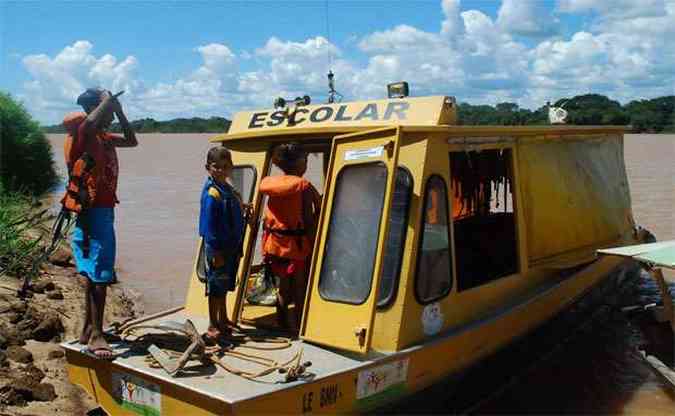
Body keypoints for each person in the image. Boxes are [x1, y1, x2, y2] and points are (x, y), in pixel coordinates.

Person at [63, 88, 138, 359]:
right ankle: (97, 335)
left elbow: (132, 141)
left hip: (100, 210)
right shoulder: (85, 133)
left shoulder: (104, 137)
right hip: (96, 211)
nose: (109, 117)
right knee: (101, 273)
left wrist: (118, 110)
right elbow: (91, 122)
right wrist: (107, 101)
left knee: (94, 271)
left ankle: (87, 329)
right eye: (106, 111)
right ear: (96, 109)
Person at [260, 143, 321, 332]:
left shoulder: (275, 186)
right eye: (305, 160)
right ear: (298, 163)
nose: (307, 165)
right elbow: (309, 219)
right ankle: (300, 324)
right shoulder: (304, 187)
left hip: (275, 246)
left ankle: (281, 320)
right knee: (300, 287)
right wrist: (314, 244)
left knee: (283, 287)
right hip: (295, 247)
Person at [199, 146, 245, 342]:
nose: (220, 170)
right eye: (216, 167)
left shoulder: (228, 190)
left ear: (231, 168)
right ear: (208, 167)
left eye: (225, 167)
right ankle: (213, 323)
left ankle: (224, 318)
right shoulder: (212, 193)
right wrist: (215, 250)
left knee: (225, 284)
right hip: (217, 248)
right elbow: (209, 227)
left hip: (231, 245)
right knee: (215, 287)